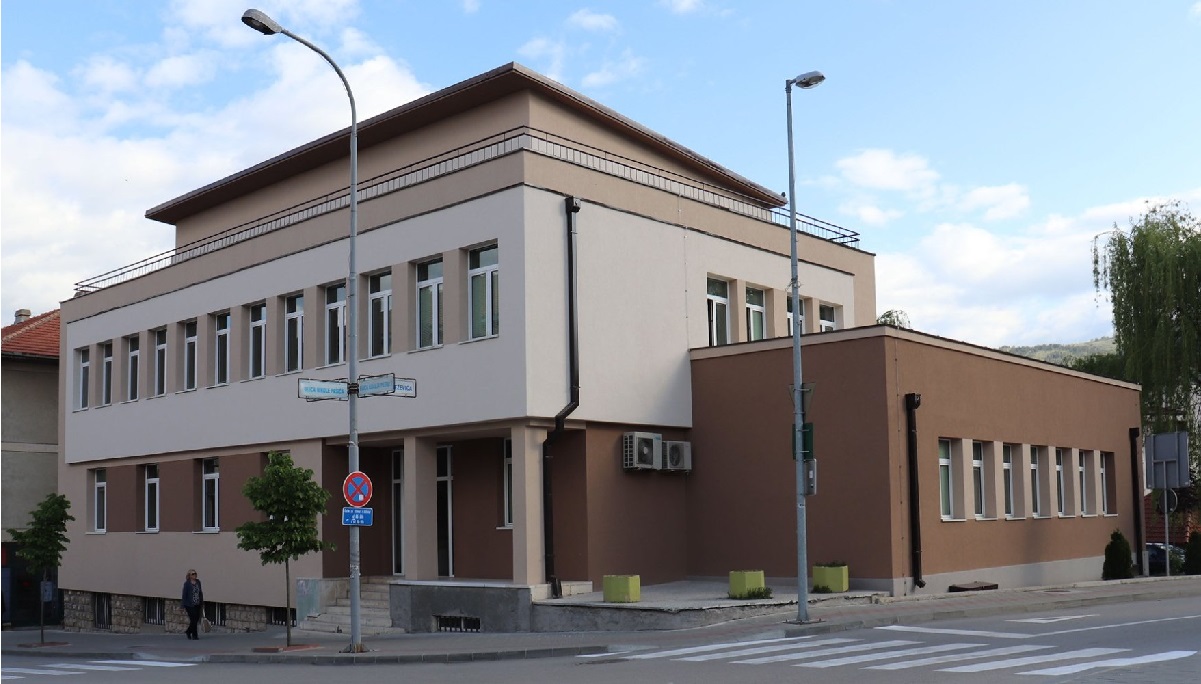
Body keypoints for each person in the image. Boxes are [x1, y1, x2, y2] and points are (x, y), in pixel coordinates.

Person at [181, 569, 204, 639]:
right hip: (189, 605)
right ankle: (195, 635)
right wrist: (182, 605)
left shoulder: (198, 582)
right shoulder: (187, 584)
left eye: (195, 574)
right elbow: (184, 595)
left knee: (196, 619)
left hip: (197, 603)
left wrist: (202, 602)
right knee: (193, 619)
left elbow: (200, 592)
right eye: (193, 574)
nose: (195, 575)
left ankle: (188, 631)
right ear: (189, 575)